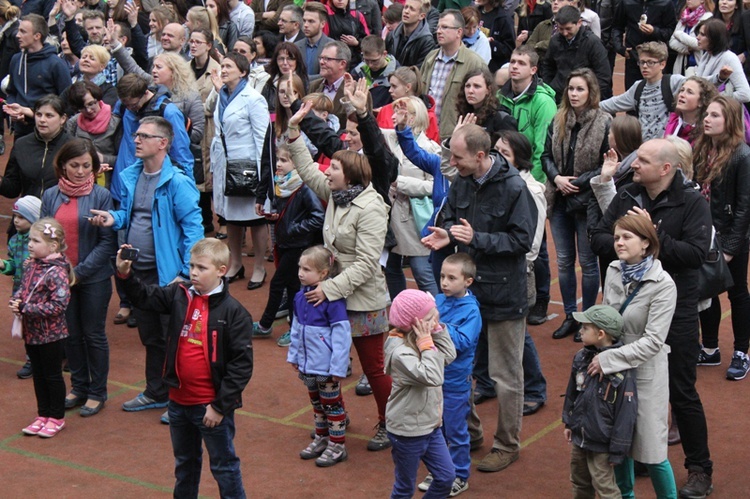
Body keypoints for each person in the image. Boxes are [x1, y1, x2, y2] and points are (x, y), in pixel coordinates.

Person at [589, 139, 715, 498]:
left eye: (642, 160)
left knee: (681, 391)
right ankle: (640, 454)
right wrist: (627, 244)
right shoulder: (628, 195)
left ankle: (699, 469)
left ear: (666, 169)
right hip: (629, 315)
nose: (634, 164)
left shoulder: (691, 202)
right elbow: (598, 234)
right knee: (628, 387)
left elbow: (694, 254)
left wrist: (652, 238)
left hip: (674, 310)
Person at [421, 123, 537, 473]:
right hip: (468, 294)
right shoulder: (462, 181)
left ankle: (506, 444)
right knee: (459, 365)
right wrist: (447, 232)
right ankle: (469, 433)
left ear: (481, 156)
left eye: (457, 156)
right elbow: (454, 219)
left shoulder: (515, 187)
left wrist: (477, 239)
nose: (451, 162)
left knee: (505, 375)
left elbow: (523, 242)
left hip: (504, 294)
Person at [286, 103, 394, 452]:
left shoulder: (372, 207)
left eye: (333, 167)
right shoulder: (336, 194)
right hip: (332, 296)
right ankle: (337, 417)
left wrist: (327, 289)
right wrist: (293, 132)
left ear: (350, 175)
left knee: (374, 368)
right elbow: (305, 169)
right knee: (326, 365)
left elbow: (367, 263)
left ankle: (387, 423)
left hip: (360, 299)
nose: (327, 171)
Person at [115, 238, 253, 498]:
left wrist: (219, 406)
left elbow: (241, 368)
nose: (193, 273)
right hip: (178, 403)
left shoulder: (235, 313)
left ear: (221, 271)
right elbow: (143, 296)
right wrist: (124, 273)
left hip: (210, 407)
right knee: (185, 465)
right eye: (191, 266)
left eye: (202, 268)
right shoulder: (179, 295)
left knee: (224, 467)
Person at [89, 117, 203, 424]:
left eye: (144, 136)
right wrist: (113, 219)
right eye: (136, 135)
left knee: (175, 338)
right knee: (151, 336)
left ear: (162, 143)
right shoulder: (131, 175)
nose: (136, 140)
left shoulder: (177, 182)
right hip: (136, 272)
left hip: (167, 276)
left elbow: (194, 228)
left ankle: (180, 400)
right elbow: (130, 214)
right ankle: (156, 392)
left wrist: (185, 271)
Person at [589, 214, 679, 497]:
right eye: (616, 237)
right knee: (619, 446)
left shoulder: (664, 285)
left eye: (627, 237)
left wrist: (606, 359)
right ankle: (625, 496)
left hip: (645, 376)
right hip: (615, 375)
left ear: (646, 244)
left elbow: (653, 342)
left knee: (652, 451)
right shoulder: (614, 270)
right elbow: (607, 316)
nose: (619, 243)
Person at [41, 138, 116, 418]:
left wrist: (79, 272)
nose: (81, 171)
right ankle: (79, 387)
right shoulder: (50, 196)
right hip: (61, 278)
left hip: (93, 278)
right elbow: (43, 234)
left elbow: (107, 243)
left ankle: (98, 392)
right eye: (75, 165)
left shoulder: (101, 196)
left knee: (93, 334)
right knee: (70, 335)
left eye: (87, 166)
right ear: (62, 166)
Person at [542, 68, 610, 341]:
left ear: (591, 92)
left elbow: (607, 163)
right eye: (571, 89)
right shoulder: (557, 120)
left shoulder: (605, 122)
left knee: (589, 262)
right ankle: (570, 315)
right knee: (564, 261)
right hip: (559, 198)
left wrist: (579, 181)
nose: (574, 94)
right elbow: (545, 155)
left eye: (580, 89)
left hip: (587, 201)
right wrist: (557, 178)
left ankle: (589, 320)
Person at [694, 96, 750, 381]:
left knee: (737, 291)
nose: (707, 119)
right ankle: (711, 347)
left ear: (729, 121)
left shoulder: (742, 155)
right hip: (705, 233)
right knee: (706, 290)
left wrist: (730, 246)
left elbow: (745, 206)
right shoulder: (703, 148)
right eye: (707, 114)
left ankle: (742, 352)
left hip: (730, 236)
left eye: (715, 115)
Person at [417, 253, 481, 497]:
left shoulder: (472, 311)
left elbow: (464, 341)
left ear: (468, 281)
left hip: (455, 380)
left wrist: (439, 328)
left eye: (452, 278)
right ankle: (441, 470)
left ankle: (460, 475)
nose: (444, 282)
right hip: (434, 377)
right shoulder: (439, 300)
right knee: (436, 428)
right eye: (442, 276)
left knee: (455, 430)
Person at [494, 130, 548, 416]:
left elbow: (533, 242)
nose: (497, 158)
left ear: (520, 160)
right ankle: (488, 383)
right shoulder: (498, 182)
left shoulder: (531, 189)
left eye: (505, 154)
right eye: (496, 151)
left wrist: (513, 261)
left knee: (518, 333)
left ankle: (536, 388)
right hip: (493, 270)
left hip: (516, 271)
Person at [385, 289, 458, 498]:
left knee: (446, 477)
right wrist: (427, 344)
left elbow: (449, 355)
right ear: (412, 324)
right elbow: (434, 376)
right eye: (428, 318)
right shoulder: (401, 353)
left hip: (430, 425)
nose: (434, 319)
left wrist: (436, 330)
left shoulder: (421, 340)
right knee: (404, 488)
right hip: (407, 431)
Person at [208, 52, 271, 288]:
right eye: (222, 65)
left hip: (247, 167)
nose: (223, 70)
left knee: (254, 218)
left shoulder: (253, 98)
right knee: (230, 218)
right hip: (225, 166)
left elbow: (262, 139)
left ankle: (259, 268)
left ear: (243, 72)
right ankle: (235, 263)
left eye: (228, 66)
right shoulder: (221, 95)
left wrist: (262, 175)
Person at [563, 304, 638, 499]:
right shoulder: (581, 358)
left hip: (602, 443)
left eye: (585, 328)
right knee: (579, 482)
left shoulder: (621, 371)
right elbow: (572, 392)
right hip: (581, 437)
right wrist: (569, 422)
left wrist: (618, 449)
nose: (580, 331)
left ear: (601, 334)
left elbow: (625, 414)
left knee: (605, 487)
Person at [252, 143, 324, 340]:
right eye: (278, 160)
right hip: (285, 242)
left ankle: (266, 324)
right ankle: (295, 328)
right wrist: (275, 217)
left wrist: (294, 228)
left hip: (298, 245)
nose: (279, 164)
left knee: (277, 283)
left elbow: (318, 216)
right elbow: (289, 213)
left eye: (284, 160)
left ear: (297, 163)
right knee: (293, 287)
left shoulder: (304, 187)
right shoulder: (282, 184)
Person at [288, 245, 351, 467]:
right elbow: (296, 327)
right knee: (316, 403)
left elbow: (342, 335)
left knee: (332, 404)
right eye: (300, 267)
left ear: (323, 274)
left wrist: (338, 367)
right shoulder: (299, 296)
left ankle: (337, 445)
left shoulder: (332, 300)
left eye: (307, 269)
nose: (300, 273)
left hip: (326, 367)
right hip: (308, 364)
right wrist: (294, 355)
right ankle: (322, 437)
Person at [13, 218, 72, 439]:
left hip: (51, 335)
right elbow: (22, 289)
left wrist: (27, 308)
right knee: (38, 375)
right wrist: (17, 301)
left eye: (36, 240)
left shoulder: (56, 272)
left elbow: (59, 305)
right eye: (30, 239)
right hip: (32, 333)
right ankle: (42, 414)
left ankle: (56, 417)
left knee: (52, 376)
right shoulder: (31, 265)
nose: (30, 244)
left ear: (53, 246)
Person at [381, 96, 440, 299]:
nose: (395, 116)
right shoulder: (391, 138)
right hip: (391, 214)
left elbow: (436, 187)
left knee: (422, 271)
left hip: (417, 218)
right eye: (395, 111)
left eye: (402, 112)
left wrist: (401, 183)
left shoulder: (431, 148)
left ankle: (438, 317)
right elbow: (369, 130)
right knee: (391, 268)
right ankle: (401, 312)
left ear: (414, 117)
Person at [111, 73, 194, 207]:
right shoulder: (124, 104)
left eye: (133, 104)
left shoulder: (168, 112)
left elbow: (181, 154)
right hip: (122, 186)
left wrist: (187, 193)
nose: (129, 108)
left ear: (145, 93)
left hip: (153, 188)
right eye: (125, 104)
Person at [421, 10, 486, 141]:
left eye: (445, 27)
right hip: (424, 134)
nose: (439, 31)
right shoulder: (430, 58)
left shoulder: (474, 62)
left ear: (459, 32)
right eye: (438, 27)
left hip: (452, 138)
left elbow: (483, 105)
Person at [600, 42, 685, 141]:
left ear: (662, 64)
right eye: (642, 62)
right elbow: (613, 103)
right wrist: (585, 106)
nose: (645, 66)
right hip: (644, 148)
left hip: (666, 148)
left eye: (650, 62)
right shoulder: (638, 87)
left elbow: (702, 83)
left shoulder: (673, 82)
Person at [3, 14, 71, 138]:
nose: (17, 35)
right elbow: (12, 91)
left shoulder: (56, 63)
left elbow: (66, 100)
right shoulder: (16, 59)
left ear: (37, 36)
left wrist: (32, 113)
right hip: (21, 130)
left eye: (23, 32)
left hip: (48, 132)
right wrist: (13, 109)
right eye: (18, 30)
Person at [1, 196, 41, 380]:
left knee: (42, 326)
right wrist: (5, 265)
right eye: (14, 216)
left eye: (21, 217)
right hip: (20, 291)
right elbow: (14, 265)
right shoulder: (14, 240)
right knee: (26, 326)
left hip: (39, 293)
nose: (16, 220)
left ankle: (55, 354)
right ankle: (31, 359)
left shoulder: (42, 242)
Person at [0, 95, 70, 199]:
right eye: (38, 114)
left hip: (62, 211)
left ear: (63, 119)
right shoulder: (21, 144)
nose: (42, 120)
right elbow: (12, 189)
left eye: (49, 116)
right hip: (29, 212)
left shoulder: (74, 147)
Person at [540, 6, 612, 102]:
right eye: (561, 29)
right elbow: (548, 66)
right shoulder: (555, 41)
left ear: (579, 23)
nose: (565, 33)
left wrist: (589, 96)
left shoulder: (592, 43)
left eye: (568, 29)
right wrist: (550, 87)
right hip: (558, 96)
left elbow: (604, 75)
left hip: (584, 99)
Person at [66, 81, 123, 183]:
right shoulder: (73, 123)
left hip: (108, 182)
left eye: (91, 104)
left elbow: (124, 159)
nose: (88, 110)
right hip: (80, 180)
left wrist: (103, 158)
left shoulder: (115, 123)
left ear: (98, 99)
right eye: (82, 107)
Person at [612, 0, 677, 88]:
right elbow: (617, 27)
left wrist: (655, 31)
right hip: (634, 55)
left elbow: (671, 30)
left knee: (656, 90)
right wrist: (620, 48)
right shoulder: (627, 2)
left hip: (656, 56)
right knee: (633, 91)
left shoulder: (665, 3)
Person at [376, 66, 440, 143]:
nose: (390, 90)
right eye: (390, 86)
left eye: (394, 86)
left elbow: (433, 148)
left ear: (408, 87)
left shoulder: (428, 116)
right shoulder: (385, 110)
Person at [456, 67, 518, 144]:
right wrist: (455, 136)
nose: (470, 91)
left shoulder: (501, 119)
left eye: (477, 86)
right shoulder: (465, 114)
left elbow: (508, 153)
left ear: (488, 90)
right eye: (467, 86)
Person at [694, 18, 750, 102]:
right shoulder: (706, 55)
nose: (698, 37)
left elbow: (745, 94)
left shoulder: (729, 58)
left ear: (714, 39)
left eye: (702, 35)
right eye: (698, 33)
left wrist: (715, 99)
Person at [663, 75, 719, 144]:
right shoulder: (672, 121)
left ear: (701, 101)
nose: (682, 95)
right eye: (682, 90)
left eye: (690, 92)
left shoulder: (706, 131)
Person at [351, 35, 399, 109]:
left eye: (374, 61)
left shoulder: (397, 74)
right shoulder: (357, 72)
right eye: (366, 60)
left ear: (384, 54)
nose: (370, 65)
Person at [385, 0, 437, 69]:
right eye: (405, 7)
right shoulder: (392, 35)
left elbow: (418, 72)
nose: (406, 11)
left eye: (412, 9)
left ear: (421, 16)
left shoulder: (427, 42)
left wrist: (394, 66)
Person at [670, 0, 714, 75]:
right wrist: (687, 48)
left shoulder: (708, 18)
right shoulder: (684, 17)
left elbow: (699, 44)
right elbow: (672, 42)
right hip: (681, 64)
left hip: (698, 64)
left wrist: (679, 34)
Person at [324, 0, 370, 67]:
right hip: (332, 60)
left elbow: (368, 41)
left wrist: (357, 43)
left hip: (354, 62)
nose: (340, 0)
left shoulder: (357, 15)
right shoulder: (326, 13)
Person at [297, 2, 331, 81]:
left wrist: (304, 79)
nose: (305, 25)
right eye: (304, 20)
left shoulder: (332, 47)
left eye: (311, 21)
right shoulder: (296, 46)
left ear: (322, 24)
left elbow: (329, 75)